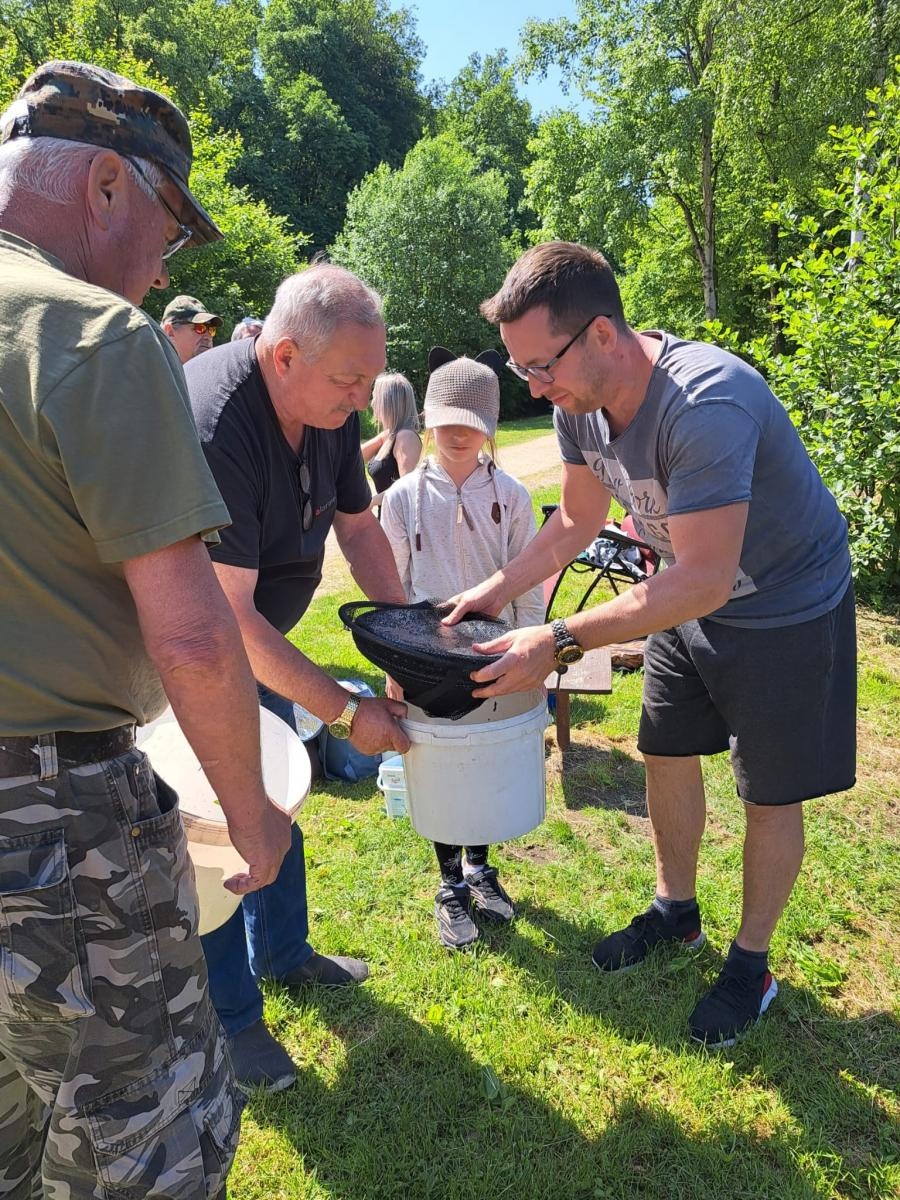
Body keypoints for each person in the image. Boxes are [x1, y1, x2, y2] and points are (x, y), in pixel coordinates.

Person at [445, 241, 856, 1049]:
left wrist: (558, 637)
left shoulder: (706, 402)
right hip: (682, 591)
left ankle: (751, 964)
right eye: (519, 368)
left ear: (601, 334)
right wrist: (494, 593)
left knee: (768, 793)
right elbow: (576, 520)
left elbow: (705, 578)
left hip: (784, 605)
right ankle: (677, 910)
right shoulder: (576, 403)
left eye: (540, 365)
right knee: (666, 750)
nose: (533, 387)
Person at [0, 61, 291, 1199]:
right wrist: (256, 820)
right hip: (53, 835)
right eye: (172, 221)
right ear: (109, 187)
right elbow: (192, 638)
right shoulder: (91, 335)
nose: (168, 266)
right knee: (146, 1147)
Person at [184, 263, 411, 1091]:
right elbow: (222, 619)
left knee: (284, 793)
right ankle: (232, 1023)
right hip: (184, 652)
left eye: (367, 381)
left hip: (254, 637)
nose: (361, 400)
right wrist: (349, 711)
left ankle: (284, 953)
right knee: (220, 824)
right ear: (283, 357)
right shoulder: (219, 423)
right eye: (348, 382)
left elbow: (360, 532)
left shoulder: (327, 409)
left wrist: (409, 644)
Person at [381, 349, 544, 950]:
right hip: (425, 659)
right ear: (425, 420)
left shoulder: (515, 497)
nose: (457, 433)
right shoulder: (399, 499)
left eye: (472, 423)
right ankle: (450, 881)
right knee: (443, 766)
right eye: (446, 419)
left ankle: (480, 865)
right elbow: (391, 589)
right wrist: (395, 665)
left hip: (495, 651)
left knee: (488, 760)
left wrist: (534, 652)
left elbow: (531, 581)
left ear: (491, 429)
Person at [361, 371, 422, 509]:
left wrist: (371, 502)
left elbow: (408, 489)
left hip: (399, 524)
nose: (372, 403)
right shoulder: (388, 435)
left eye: (376, 397)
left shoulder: (406, 437)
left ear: (388, 402)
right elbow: (354, 458)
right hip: (387, 519)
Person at [161, 293, 222, 363]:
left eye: (212, 330)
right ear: (170, 332)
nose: (208, 337)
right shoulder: (151, 368)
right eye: (200, 328)